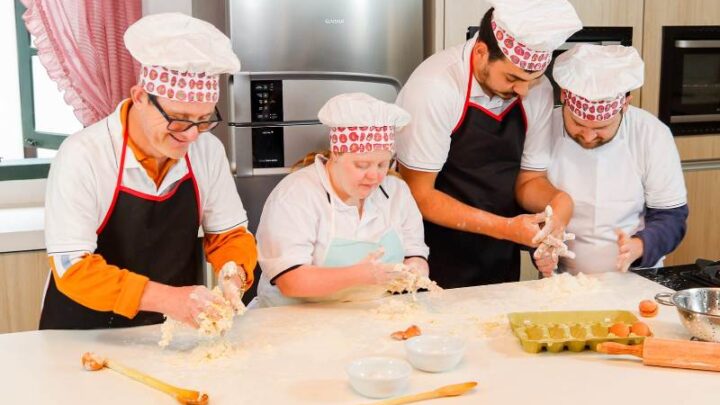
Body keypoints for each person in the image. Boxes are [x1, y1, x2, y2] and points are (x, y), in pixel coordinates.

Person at [40, 13, 257, 329]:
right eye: (179, 119)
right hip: (82, 330)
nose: (192, 134)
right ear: (140, 97)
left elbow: (229, 235)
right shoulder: (85, 154)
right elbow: (73, 269)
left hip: (167, 328)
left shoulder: (207, 152)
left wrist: (233, 272)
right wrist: (170, 299)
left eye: (203, 119)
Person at [395, 0, 582, 288]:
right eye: (512, 78)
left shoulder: (538, 90)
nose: (522, 91)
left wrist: (558, 204)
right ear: (482, 52)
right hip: (430, 252)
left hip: (498, 254)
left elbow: (529, 179)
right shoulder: (436, 87)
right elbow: (419, 194)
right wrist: (506, 228)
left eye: (531, 80)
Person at [253, 93, 429, 307]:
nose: (374, 176)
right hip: (294, 322)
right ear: (336, 155)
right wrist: (360, 276)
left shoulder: (396, 192)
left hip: (369, 317)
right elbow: (291, 281)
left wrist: (415, 270)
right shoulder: (296, 195)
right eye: (362, 165)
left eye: (383, 165)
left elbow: (414, 253)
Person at [534, 44, 688, 276]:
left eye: (601, 127)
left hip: (639, 279)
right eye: (577, 124)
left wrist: (640, 246)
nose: (587, 136)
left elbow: (671, 218)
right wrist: (540, 246)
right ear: (564, 97)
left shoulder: (651, 134)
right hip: (563, 281)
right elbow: (527, 203)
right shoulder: (543, 128)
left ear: (625, 105)